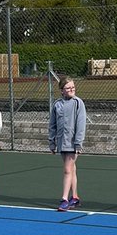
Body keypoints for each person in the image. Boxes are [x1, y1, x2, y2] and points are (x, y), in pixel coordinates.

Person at [49, 75, 86, 210]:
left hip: (72, 144)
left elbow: (80, 125)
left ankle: (64, 199)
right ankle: (74, 197)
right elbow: (52, 125)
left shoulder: (78, 103)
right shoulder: (57, 104)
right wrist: (52, 142)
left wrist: (78, 143)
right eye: (68, 87)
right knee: (72, 170)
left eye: (73, 87)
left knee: (67, 170)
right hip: (61, 143)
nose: (71, 89)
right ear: (62, 90)